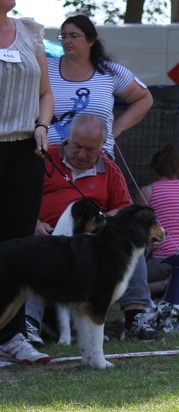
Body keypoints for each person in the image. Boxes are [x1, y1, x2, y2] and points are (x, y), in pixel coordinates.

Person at [26, 114, 160, 343]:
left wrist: (104, 223)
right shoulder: (43, 159)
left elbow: (124, 212)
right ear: (68, 138)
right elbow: (20, 200)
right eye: (77, 146)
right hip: (49, 240)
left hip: (91, 247)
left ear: (101, 147)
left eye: (90, 149)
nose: (81, 154)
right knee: (32, 253)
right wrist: (34, 222)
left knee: (132, 245)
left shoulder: (110, 170)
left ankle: (136, 317)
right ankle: (28, 323)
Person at [0, 3, 54, 364]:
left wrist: (42, 125)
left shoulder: (31, 30)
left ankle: (12, 337)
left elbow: (46, 95)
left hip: (24, 152)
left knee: (17, 248)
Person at [47, 14, 152, 158]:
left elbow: (144, 99)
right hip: (51, 158)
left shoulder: (111, 71)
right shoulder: (46, 69)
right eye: (63, 36)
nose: (67, 41)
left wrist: (116, 129)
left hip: (96, 159)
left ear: (90, 40)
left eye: (73, 36)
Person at [136, 144, 179, 296]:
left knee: (130, 281)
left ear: (153, 169)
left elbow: (138, 226)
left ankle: (165, 285)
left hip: (165, 259)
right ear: (178, 168)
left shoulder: (148, 192)